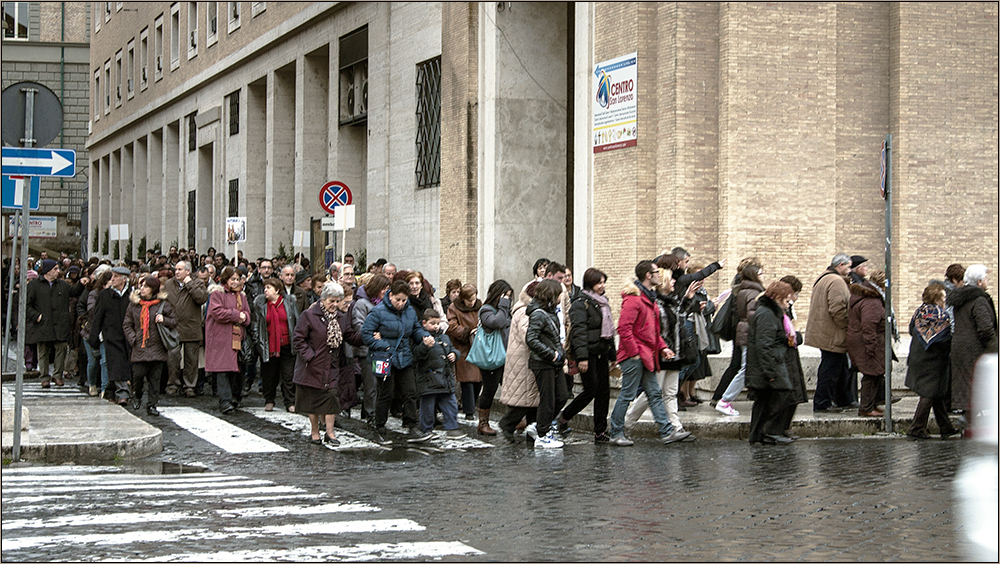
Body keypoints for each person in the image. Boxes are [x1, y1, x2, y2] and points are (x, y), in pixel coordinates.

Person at [623, 262, 698, 443]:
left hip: (675, 353)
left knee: (670, 393)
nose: (674, 281)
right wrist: (662, 347)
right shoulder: (654, 301)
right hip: (661, 352)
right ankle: (627, 422)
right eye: (670, 278)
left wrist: (687, 299)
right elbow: (655, 329)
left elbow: (679, 320)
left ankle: (675, 427)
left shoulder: (671, 301)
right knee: (651, 393)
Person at [608, 261, 677, 446]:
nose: (659, 276)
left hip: (646, 355)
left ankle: (667, 431)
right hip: (635, 356)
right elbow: (624, 328)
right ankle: (615, 432)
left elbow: (652, 330)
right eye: (656, 272)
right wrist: (634, 353)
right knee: (627, 394)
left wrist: (663, 347)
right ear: (648, 275)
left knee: (654, 393)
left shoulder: (648, 297)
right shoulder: (634, 298)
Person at [361, 279, 435, 445]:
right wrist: (383, 345)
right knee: (385, 393)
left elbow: (415, 328)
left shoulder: (409, 311)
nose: (401, 303)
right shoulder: (378, 311)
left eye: (404, 300)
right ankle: (379, 427)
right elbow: (366, 334)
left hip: (404, 356)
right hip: (383, 357)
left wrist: (424, 337)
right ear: (391, 295)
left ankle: (411, 425)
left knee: (410, 392)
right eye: (398, 300)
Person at [292, 281, 362, 446]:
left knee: (331, 398)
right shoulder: (308, 315)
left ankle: (330, 433)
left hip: (331, 366)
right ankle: (315, 431)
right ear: (322, 299)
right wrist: (310, 356)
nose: (335, 305)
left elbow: (351, 336)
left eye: (337, 301)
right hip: (312, 366)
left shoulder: (341, 318)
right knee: (313, 401)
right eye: (331, 301)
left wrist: (368, 335)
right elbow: (298, 338)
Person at [559, 268, 615, 442]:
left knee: (603, 392)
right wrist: (581, 358)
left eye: (603, 282)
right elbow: (579, 332)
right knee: (591, 390)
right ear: (590, 284)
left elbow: (609, 330)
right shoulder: (580, 303)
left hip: (602, 352)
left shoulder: (603, 302)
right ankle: (563, 417)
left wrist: (613, 355)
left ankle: (600, 431)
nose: (602, 286)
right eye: (599, 283)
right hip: (588, 354)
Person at [905, 283, 961, 440]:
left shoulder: (920, 311)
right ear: (937, 299)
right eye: (943, 297)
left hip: (918, 356)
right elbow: (943, 339)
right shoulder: (939, 314)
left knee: (936, 395)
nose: (945, 299)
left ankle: (946, 428)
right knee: (929, 395)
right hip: (933, 360)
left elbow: (911, 330)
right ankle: (916, 428)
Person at [746, 281, 798, 445]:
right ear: (776, 297)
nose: (788, 302)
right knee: (778, 395)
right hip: (770, 365)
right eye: (785, 298)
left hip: (773, 362)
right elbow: (764, 345)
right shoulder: (766, 314)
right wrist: (770, 372)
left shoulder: (774, 313)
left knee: (764, 401)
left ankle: (759, 434)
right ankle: (768, 431)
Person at [947, 264, 998, 421]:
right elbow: (985, 327)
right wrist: (994, 347)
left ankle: (968, 419)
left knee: (966, 384)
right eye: (986, 279)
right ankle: (969, 419)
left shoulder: (961, 298)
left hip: (959, 345)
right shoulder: (979, 299)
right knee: (977, 384)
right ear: (980, 282)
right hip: (975, 348)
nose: (987, 282)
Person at [716, 263, 766, 416]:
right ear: (754, 276)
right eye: (761, 273)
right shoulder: (753, 293)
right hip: (748, 333)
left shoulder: (745, 290)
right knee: (745, 369)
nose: (763, 276)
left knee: (745, 368)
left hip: (744, 332)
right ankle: (725, 400)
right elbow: (753, 315)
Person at [805, 253, 853, 412]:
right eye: (848, 266)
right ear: (840, 265)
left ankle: (843, 399)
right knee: (830, 369)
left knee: (840, 367)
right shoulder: (836, 281)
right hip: (832, 333)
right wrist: (847, 326)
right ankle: (822, 402)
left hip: (824, 331)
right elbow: (837, 309)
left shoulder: (824, 278)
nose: (850, 270)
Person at [523, 279, 568, 448]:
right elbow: (531, 339)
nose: (560, 297)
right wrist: (552, 355)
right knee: (548, 399)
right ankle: (542, 435)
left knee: (562, 395)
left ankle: (540, 425)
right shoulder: (538, 314)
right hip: (543, 363)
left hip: (553, 362)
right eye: (558, 294)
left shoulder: (548, 312)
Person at [123, 276, 176, 416]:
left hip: (157, 346)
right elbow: (127, 324)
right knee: (138, 375)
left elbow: (174, 321)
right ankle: (137, 394)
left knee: (155, 379)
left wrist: (164, 320)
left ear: (153, 289)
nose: (142, 289)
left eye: (146, 286)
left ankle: (152, 404)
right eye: (141, 286)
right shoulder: (134, 304)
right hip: (139, 346)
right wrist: (133, 338)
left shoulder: (163, 304)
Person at [412, 308, 466, 440]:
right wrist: (425, 346)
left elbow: (452, 349)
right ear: (424, 323)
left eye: (437, 323)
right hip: (428, 378)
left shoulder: (444, 337)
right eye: (432, 323)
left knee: (450, 404)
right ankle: (426, 428)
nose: (436, 326)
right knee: (427, 406)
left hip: (444, 378)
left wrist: (455, 354)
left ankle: (452, 427)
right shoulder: (421, 337)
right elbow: (417, 355)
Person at [205, 266, 251, 414]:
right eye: (233, 279)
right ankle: (225, 401)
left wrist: (244, 317)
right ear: (226, 279)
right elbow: (217, 312)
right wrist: (238, 316)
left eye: (238, 279)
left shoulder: (242, 296)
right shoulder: (217, 294)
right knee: (222, 370)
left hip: (236, 338)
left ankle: (233, 398)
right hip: (220, 337)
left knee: (236, 370)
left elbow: (248, 314)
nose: (236, 282)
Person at [497, 283, 540, 442]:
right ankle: (507, 424)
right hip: (523, 360)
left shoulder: (529, 309)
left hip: (527, 359)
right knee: (524, 399)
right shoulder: (524, 311)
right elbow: (527, 336)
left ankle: (531, 431)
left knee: (533, 399)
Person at [250, 278, 299, 412]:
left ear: (277, 290)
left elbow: (296, 320)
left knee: (288, 375)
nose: (265, 290)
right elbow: (255, 325)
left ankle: (290, 402)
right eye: (265, 288)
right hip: (268, 345)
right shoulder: (261, 305)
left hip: (287, 345)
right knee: (269, 375)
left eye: (269, 288)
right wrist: (258, 343)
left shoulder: (289, 302)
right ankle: (269, 400)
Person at [88, 266, 134, 405]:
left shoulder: (132, 295)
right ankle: (123, 394)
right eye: (112, 276)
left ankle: (110, 391)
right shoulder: (104, 295)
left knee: (127, 365)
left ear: (124, 279)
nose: (112, 279)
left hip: (129, 336)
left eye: (116, 277)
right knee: (117, 364)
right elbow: (98, 318)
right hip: (112, 336)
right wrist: (93, 337)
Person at [25, 259, 75, 388]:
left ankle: (57, 375)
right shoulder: (34, 285)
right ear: (48, 271)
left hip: (59, 323)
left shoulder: (62, 285)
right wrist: (37, 317)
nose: (58, 271)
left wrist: (83, 283)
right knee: (43, 351)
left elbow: (74, 292)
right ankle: (44, 377)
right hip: (43, 323)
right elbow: (27, 305)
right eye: (55, 269)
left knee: (61, 348)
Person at [846, 268, 889, 417]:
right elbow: (869, 326)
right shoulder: (872, 301)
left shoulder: (869, 297)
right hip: (867, 342)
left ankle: (872, 404)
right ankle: (866, 408)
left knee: (875, 373)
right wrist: (871, 346)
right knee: (871, 374)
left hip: (863, 340)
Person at [163, 261, 208, 397]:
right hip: (174, 327)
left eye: (180, 269)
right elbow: (164, 302)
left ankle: (189, 386)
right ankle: (173, 384)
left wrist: (190, 284)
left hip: (191, 327)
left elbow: (201, 298)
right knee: (173, 358)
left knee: (191, 360)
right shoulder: (169, 284)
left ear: (187, 271)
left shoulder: (197, 283)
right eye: (176, 269)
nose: (176, 272)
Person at [352, 274, 392, 426]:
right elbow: (359, 325)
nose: (386, 292)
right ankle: (370, 414)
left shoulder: (387, 305)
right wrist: (374, 333)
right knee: (371, 385)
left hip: (382, 350)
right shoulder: (362, 304)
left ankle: (371, 411)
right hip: (366, 350)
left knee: (381, 383)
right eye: (384, 289)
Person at [475, 279, 513, 436]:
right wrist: (504, 305)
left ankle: (514, 420)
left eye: (509, 296)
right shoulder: (486, 310)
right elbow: (497, 323)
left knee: (511, 389)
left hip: (506, 355)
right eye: (504, 295)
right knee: (490, 389)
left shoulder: (506, 310)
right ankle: (483, 423)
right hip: (491, 357)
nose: (507, 299)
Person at [446, 283, 483, 420]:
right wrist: (467, 331)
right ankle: (469, 411)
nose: (472, 303)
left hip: (478, 346)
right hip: (462, 346)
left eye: (473, 299)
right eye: (469, 300)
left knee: (479, 380)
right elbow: (452, 326)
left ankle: (472, 406)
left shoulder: (480, 306)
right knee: (467, 380)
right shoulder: (454, 308)